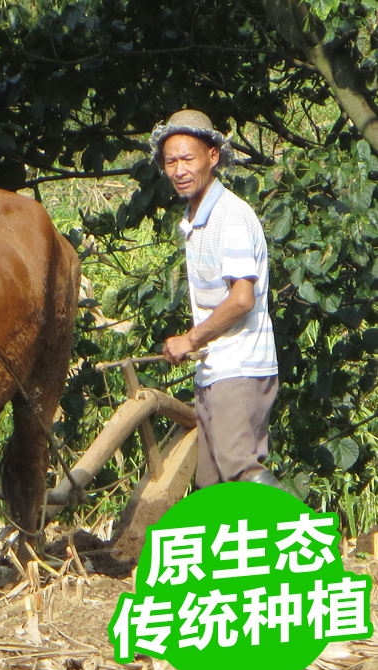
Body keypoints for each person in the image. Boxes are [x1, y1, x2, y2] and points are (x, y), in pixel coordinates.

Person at [149, 109, 280, 488]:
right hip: (213, 369)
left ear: (212, 157)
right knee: (211, 484)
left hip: (239, 367)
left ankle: (309, 544)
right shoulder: (195, 219)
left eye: (188, 158)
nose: (179, 170)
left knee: (242, 472)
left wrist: (190, 340)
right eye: (171, 161)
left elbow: (242, 299)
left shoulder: (230, 218)